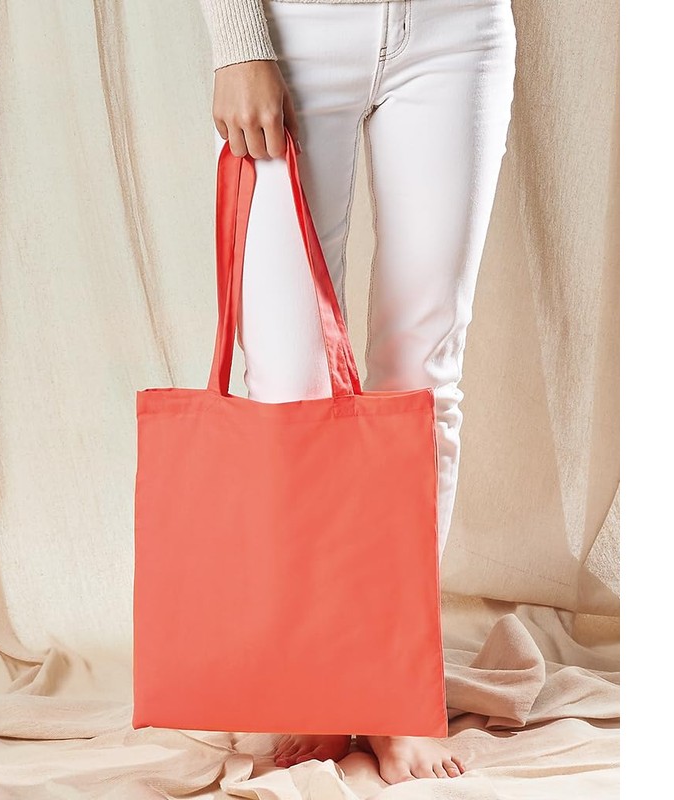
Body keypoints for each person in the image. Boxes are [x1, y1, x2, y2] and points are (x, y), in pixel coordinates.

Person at [197, 0, 517, 784]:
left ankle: (390, 688)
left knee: (424, 380)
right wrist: (237, 42)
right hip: (292, 31)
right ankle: (318, 674)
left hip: (458, 28)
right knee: (289, 388)